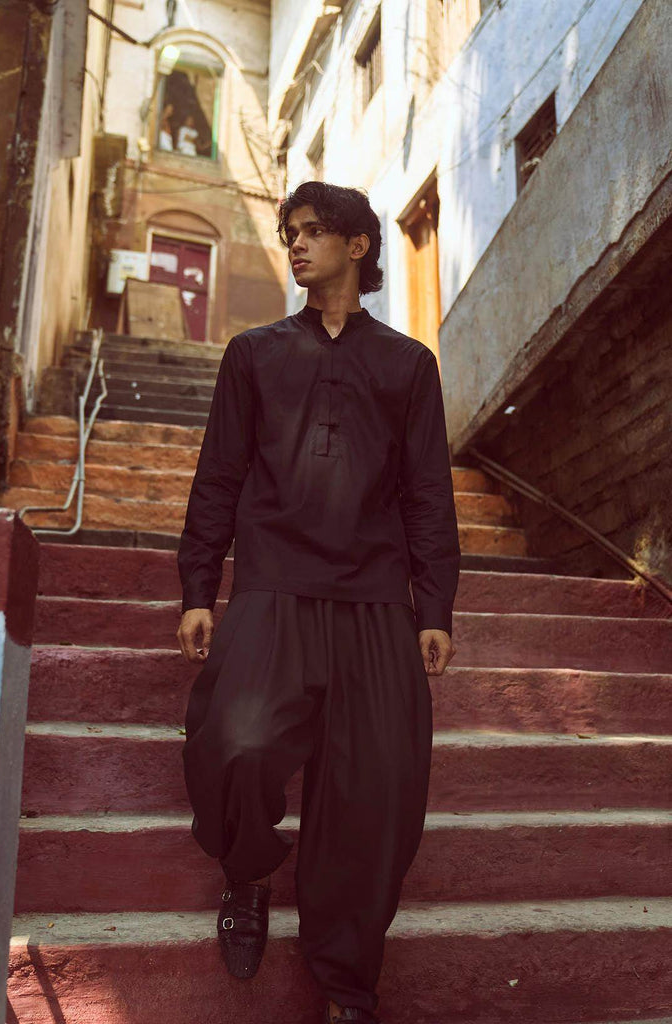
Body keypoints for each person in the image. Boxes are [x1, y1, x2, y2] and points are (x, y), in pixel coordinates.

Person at [176, 181, 461, 1024]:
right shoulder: (253, 354)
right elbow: (219, 475)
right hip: (273, 584)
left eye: (311, 232)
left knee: (377, 789)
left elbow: (427, 495)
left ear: (358, 245)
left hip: (374, 598)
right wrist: (199, 587)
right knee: (236, 745)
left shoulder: (407, 365)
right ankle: (246, 874)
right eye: (289, 233)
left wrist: (434, 606)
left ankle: (345, 981)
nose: (295, 245)